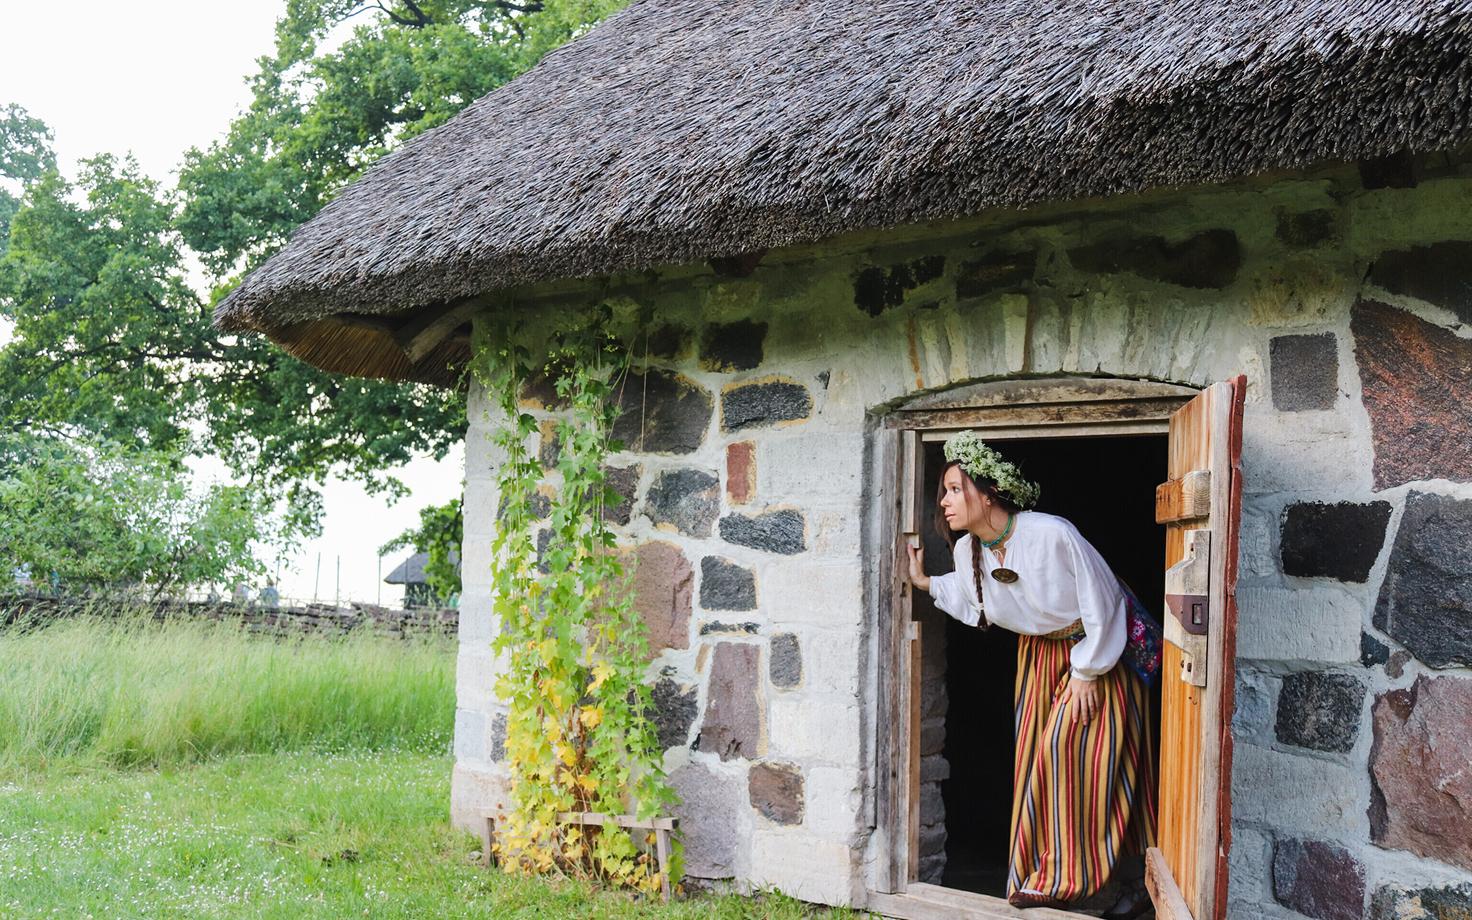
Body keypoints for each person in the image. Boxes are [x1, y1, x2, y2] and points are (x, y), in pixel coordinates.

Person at [906, 431, 1155, 916]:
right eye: (945, 491)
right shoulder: (967, 553)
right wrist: (923, 582)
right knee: (1037, 758)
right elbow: (972, 599)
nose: (946, 501)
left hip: (1096, 651)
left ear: (989, 491)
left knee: (1078, 754)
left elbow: (1104, 598)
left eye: (956, 489)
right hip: (1039, 658)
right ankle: (1052, 873)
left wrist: (1087, 673)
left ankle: (1092, 879)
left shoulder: (1050, 533)